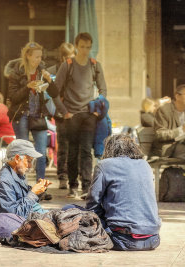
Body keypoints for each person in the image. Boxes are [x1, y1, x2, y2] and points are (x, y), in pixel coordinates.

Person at [86, 134, 161, 251]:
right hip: (153, 239)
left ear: (109, 148)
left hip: (123, 238)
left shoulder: (104, 165)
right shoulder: (145, 165)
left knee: (69, 209)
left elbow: (93, 203)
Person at [54, 32, 107, 198]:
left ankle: (86, 186)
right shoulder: (68, 65)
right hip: (72, 115)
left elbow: (103, 89)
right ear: (76, 46)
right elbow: (54, 91)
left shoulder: (94, 65)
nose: (85, 50)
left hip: (89, 114)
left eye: (88, 47)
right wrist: (64, 112)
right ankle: (72, 185)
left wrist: (99, 107)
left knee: (86, 151)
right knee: (73, 151)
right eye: (82, 47)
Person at [7, 42, 58, 200]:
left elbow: (55, 93)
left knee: (41, 153)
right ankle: (21, 187)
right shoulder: (17, 73)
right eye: (36, 56)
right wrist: (28, 87)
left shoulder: (42, 72)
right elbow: (13, 97)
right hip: (21, 114)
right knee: (22, 153)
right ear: (28, 56)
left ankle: (41, 189)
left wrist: (50, 81)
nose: (39, 59)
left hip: (38, 115)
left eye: (40, 57)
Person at [0, 139, 52, 218]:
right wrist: (33, 193)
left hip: (35, 214)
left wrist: (39, 191)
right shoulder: (3, 181)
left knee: (69, 210)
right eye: (29, 161)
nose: (30, 166)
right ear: (17, 158)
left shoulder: (18, 174)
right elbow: (14, 216)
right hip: (24, 222)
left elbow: (25, 201)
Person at [46, 42, 75, 189]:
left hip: (76, 112)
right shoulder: (53, 71)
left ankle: (74, 177)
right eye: (68, 57)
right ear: (62, 57)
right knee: (63, 145)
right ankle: (63, 177)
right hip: (60, 112)